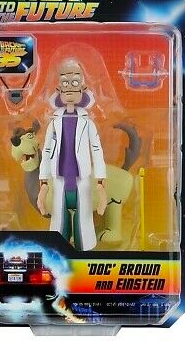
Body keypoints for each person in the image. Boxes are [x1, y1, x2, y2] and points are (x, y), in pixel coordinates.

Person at [37, 59, 107, 251]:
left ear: (83, 89)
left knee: (84, 219)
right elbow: (47, 151)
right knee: (58, 219)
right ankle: (58, 247)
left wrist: (101, 180)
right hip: (59, 179)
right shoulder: (54, 123)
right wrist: (43, 181)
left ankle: (85, 248)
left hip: (82, 178)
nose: (69, 87)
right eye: (65, 82)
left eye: (74, 82)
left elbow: (97, 149)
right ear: (58, 89)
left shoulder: (88, 123)